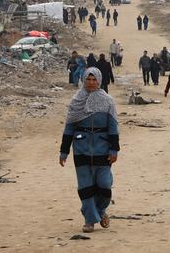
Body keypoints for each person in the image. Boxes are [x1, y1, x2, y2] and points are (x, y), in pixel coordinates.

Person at [59, 67, 119, 233]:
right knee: (85, 187)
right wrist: (64, 151)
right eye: (88, 79)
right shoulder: (76, 101)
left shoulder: (108, 101)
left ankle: (100, 211)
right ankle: (89, 221)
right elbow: (69, 127)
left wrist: (114, 149)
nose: (91, 83)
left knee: (104, 186)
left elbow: (113, 127)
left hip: (102, 148)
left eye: (94, 80)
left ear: (99, 80)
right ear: (83, 80)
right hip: (81, 149)